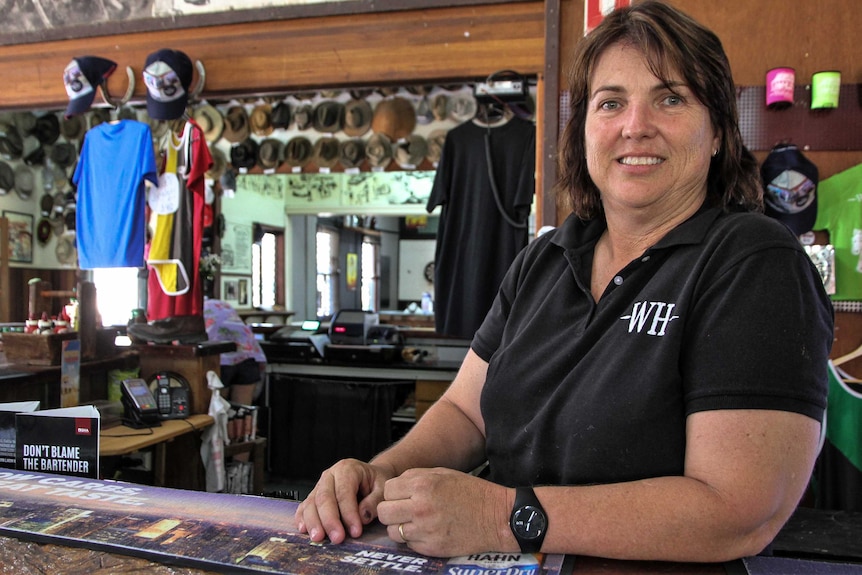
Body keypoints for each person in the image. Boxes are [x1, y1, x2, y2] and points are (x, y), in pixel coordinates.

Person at [295, 1, 833, 563]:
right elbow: (465, 413)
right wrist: (379, 474)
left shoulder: (753, 262)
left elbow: (736, 513)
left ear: (720, 130)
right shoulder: (542, 261)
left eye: (670, 98)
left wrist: (499, 516)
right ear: (583, 131)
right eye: (611, 102)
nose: (635, 126)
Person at [203, 298, 266, 407]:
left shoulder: (195, 309)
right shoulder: (222, 305)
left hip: (221, 360)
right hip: (248, 355)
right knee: (243, 412)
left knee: (220, 411)